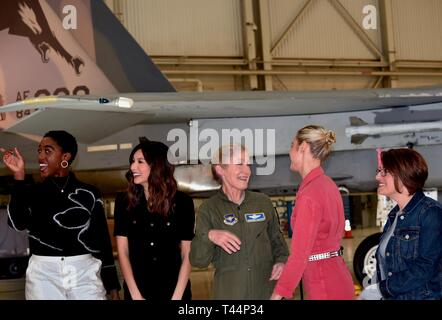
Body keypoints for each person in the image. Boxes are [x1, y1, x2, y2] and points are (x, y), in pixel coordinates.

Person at [0, 130, 120, 300]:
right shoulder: (32, 192)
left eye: (47, 151)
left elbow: (102, 240)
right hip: (43, 274)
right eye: (39, 151)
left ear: (65, 157)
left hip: (84, 271)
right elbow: (15, 223)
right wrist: (19, 176)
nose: (41, 157)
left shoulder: (90, 193)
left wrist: (112, 285)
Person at [189, 144, 289, 299]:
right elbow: (198, 260)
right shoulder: (208, 209)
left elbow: (279, 245)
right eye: (239, 163)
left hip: (266, 294)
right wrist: (210, 236)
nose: (247, 170)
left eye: (248, 164)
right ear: (220, 169)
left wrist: (282, 262)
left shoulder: (263, 202)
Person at [271, 125, 354, 300]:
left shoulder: (310, 194)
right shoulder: (327, 184)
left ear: (303, 148)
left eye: (292, 146)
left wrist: (277, 296)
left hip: (323, 283)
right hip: (337, 276)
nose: (289, 152)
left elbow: (299, 255)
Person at [113, 140, 195, 300]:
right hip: (137, 291)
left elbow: (187, 253)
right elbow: (123, 252)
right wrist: (136, 296)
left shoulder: (183, 202)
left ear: (157, 166)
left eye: (140, 162)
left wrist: (177, 297)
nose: (132, 167)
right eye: (132, 162)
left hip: (175, 290)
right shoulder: (123, 201)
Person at [360, 148, 442, 300]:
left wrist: (381, 289)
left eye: (384, 172)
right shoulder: (394, 216)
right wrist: (374, 283)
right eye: (379, 171)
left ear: (402, 175)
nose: (377, 176)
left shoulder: (430, 213)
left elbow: (425, 268)